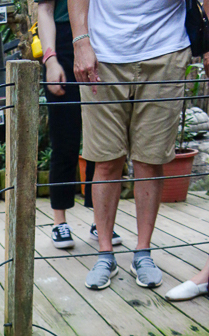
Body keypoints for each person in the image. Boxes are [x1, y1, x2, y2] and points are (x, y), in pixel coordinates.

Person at [68, 0, 192, 290]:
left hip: (165, 51)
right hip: (103, 54)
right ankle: (104, 253)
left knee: (150, 159)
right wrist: (80, 42)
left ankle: (143, 252)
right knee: (106, 159)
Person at [37, 0, 121, 250]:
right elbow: (45, 10)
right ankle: (59, 221)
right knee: (64, 138)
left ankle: (101, 220)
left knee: (105, 137)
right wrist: (50, 60)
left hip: (103, 38)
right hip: (62, 42)